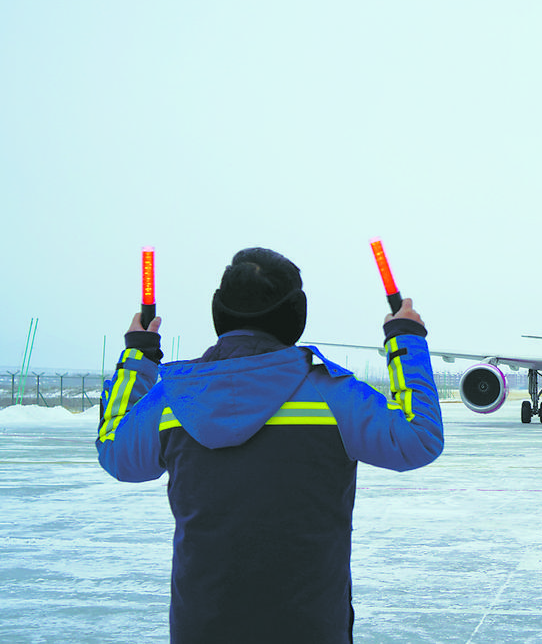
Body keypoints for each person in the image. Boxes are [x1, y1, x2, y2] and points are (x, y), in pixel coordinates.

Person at [96, 247, 444, 643]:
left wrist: (138, 355)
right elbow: (418, 440)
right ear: (296, 313)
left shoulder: (173, 400)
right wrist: (406, 341)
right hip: (309, 628)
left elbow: (116, 453)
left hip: (201, 628)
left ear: (219, 311)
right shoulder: (334, 396)